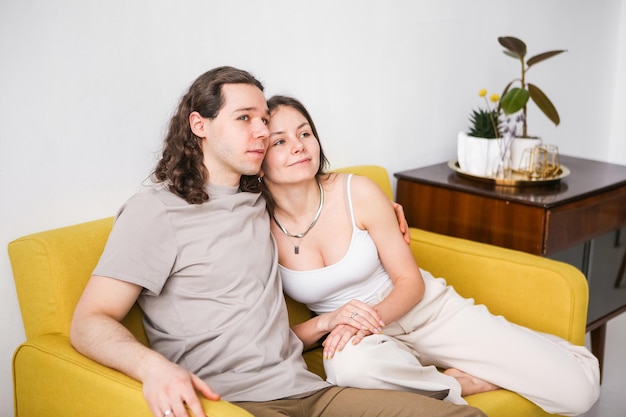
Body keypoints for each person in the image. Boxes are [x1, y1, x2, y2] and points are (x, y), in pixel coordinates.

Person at [70, 66, 487, 417]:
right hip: (237, 403)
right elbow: (89, 321)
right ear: (200, 125)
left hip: (308, 390)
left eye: (264, 120)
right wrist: (152, 368)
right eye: (244, 118)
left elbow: (325, 197)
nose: (261, 132)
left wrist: (379, 211)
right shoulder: (157, 212)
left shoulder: (260, 201)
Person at [250, 94, 601, 416]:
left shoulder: (357, 192)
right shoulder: (256, 230)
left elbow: (410, 282)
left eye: (305, 133)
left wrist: (368, 316)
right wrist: (329, 322)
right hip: (361, 340)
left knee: (578, 392)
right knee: (347, 368)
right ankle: (461, 384)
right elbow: (276, 338)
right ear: (259, 162)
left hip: (424, 312)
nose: (299, 146)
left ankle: (537, 349)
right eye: (280, 141)